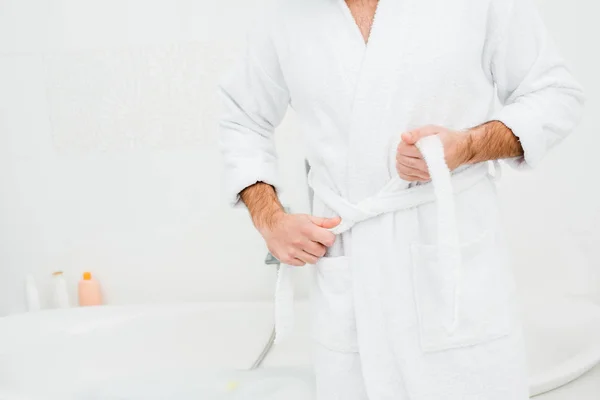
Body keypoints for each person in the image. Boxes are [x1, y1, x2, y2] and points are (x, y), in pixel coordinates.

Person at [218, 0, 585, 399]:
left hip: (452, 269)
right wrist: (269, 217)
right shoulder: (287, 14)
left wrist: (467, 146)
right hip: (350, 271)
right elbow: (242, 118)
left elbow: (554, 93)